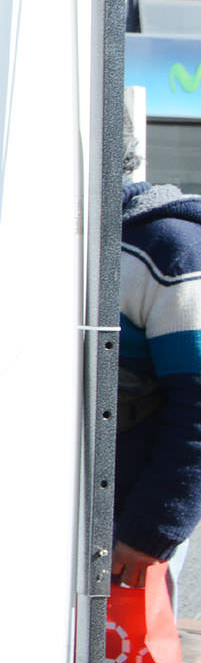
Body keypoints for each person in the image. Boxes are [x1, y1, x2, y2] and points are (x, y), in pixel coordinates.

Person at [117, 166, 201, 622]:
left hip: (126, 531)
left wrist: (152, 529)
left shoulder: (170, 249)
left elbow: (197, 404)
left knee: (111, 662)